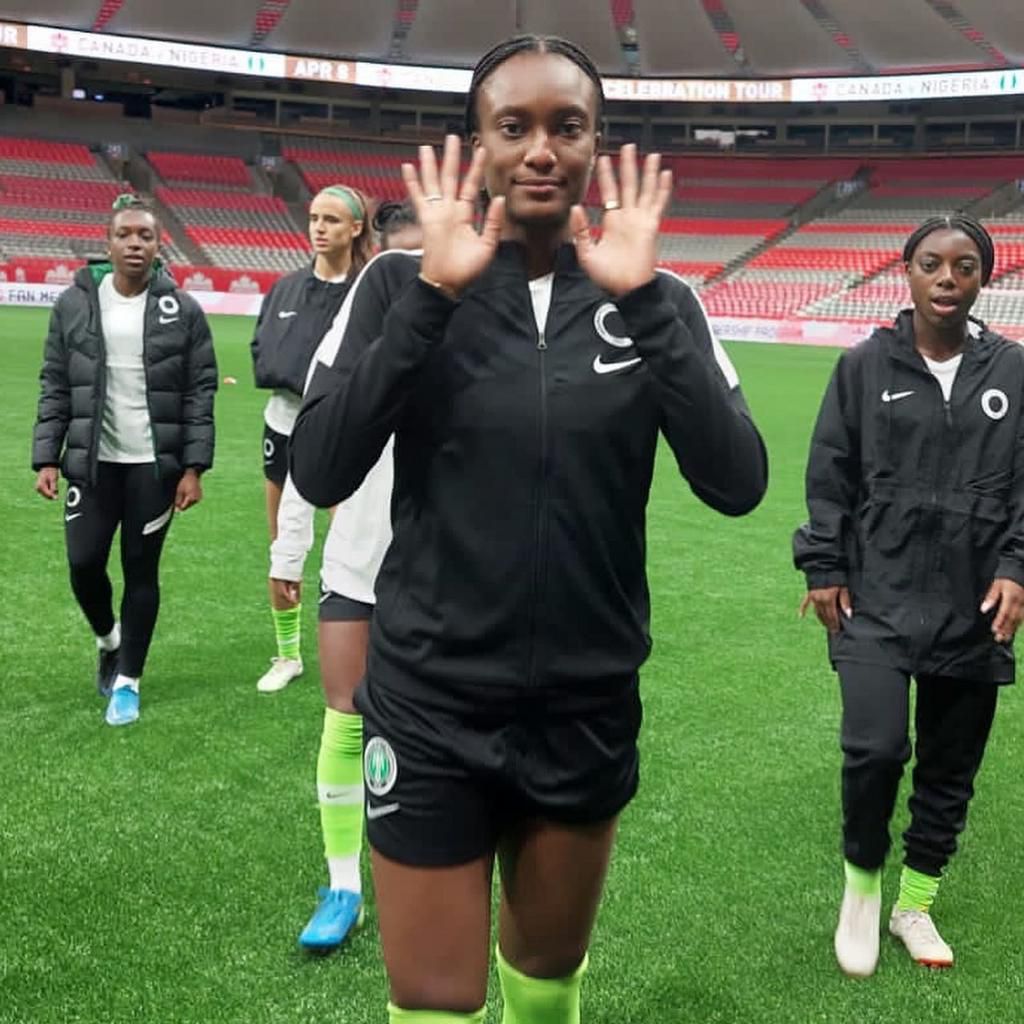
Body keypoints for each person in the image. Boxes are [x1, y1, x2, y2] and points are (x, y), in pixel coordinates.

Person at [291, 35, 767, 1024]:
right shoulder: (395, 287)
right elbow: (321, 465)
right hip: (429, 704)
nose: (542, 148)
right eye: (515, 126)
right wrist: (432, 297)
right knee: (434, 997)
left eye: (568, 126)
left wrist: (646, 308)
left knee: (545, 981)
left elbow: (737, 482)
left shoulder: (657, 300)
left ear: (598, 145)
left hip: (583, 704)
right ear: (479, 145)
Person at [794, 214, 1024, 977]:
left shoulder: (1014, 374)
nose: (947, 278)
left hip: (973, 606)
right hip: (878, 596)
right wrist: (823, 565)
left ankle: (912, 905)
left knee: (950, 768)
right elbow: (830, 469)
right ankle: (862, 886)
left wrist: (1018, 568)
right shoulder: (864, 367)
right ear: (908, 272)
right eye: (932, 264)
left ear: (983, 279)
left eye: (964, 266)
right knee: (876, 748)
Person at [269, 202, 423, 951]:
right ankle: (342, 883)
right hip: (360, 561)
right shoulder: (356, 337)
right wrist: (286, 553)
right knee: (345, 712)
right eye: (400, 263)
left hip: (446, 572)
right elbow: (311, 444)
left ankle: (428, 870)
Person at [31, 194, 217, 727]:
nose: (135, 244)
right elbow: (56, 382)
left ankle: (129, 681)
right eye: (125, 235)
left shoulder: (182, 309)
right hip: (92, 463)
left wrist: (193, 467)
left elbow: (200, 390)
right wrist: (48, 454)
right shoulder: (75, 304)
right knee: (83, 562)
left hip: (153, 468)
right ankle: (108, 640)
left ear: (159, 246)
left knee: (141, 570)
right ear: (107, 243)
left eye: (146, 236)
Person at [250, 184, 373, 693]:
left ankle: (361, 651)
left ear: (356, 228)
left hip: (339, 427)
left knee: (351, 546)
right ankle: (287, 655)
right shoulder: (285, 288)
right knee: (282, 545)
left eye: (332, 220)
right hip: (281, 425)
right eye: (314, 218)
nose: (319, 228)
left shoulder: (367, 289)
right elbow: (263, 349)